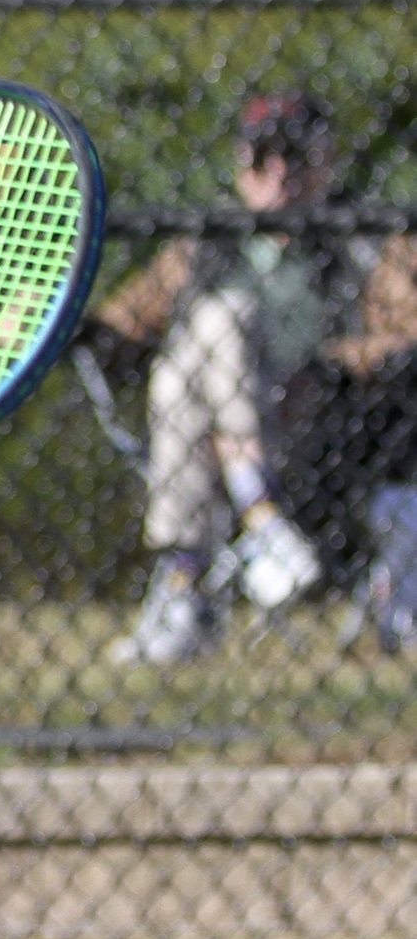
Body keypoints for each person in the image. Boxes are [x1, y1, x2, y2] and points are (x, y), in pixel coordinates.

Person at [101, 94, 357, 664]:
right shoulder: (207, 240)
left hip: (317, 419)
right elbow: (126, 317)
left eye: (296, 156)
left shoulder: (359, 238)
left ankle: (183, 583)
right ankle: (260, 514)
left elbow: (399, 332)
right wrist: (60, 321)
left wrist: (331, 365)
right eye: (264, 157)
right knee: (204, 339)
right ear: (242, 166)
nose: (280, 174)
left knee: (201, 346)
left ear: (327, 162)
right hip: (220, 425)